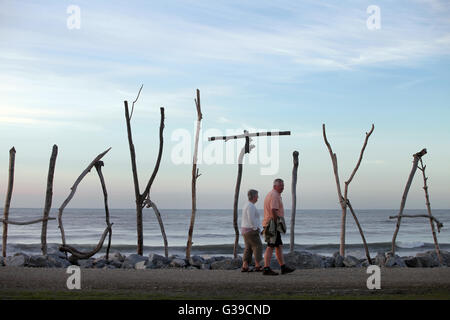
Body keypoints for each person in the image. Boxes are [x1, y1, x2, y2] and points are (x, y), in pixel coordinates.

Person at [262, 178, 295, 275]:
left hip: (270, 223)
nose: (283, 188)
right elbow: (273, 210)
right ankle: (266, 268)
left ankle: (283, 267)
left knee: (278, 246)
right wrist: (277, 223)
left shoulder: (273, 194)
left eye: (283, 186)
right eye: (281, 186)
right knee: (271, 246)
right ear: (275, 186)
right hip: (272, 224)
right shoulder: (275, 195)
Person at [240, 189, 263, 272]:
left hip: (245, 229)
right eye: (257, 196)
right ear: (254, 196)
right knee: (257, 246)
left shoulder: (247, 205)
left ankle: (245, 266)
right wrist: (255, 228)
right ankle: (257, 265)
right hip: (250, 230)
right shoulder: (251, 206)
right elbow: (251, 218)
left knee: (248, 247)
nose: (258, 198)